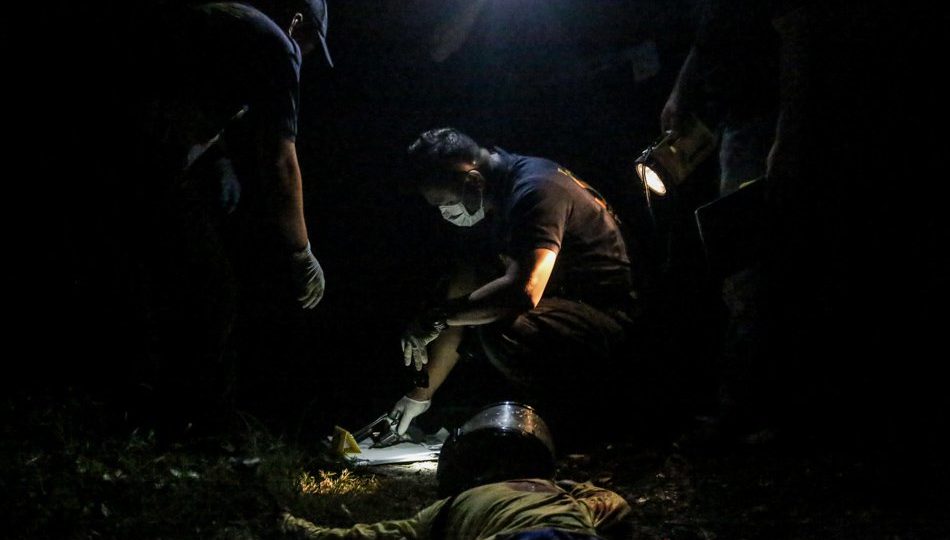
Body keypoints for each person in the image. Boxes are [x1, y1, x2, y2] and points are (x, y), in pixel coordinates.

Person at [390, 128, 641, 440]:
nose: (445, 213)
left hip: (614, 323)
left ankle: (581, 429)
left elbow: (522, 293)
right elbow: (464, 289)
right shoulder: (501, 196)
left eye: (446, 202)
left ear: (472, 181)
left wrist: (438, 317)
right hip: (574, 312)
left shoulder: (535, 190)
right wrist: (420, 394)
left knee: (505, 328)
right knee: (471, 287)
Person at [279, 402, 632, 539]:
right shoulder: (555, 497)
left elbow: (377, 535)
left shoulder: (450, 508)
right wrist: (573, 487)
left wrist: (296, 527)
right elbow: (615, 504)